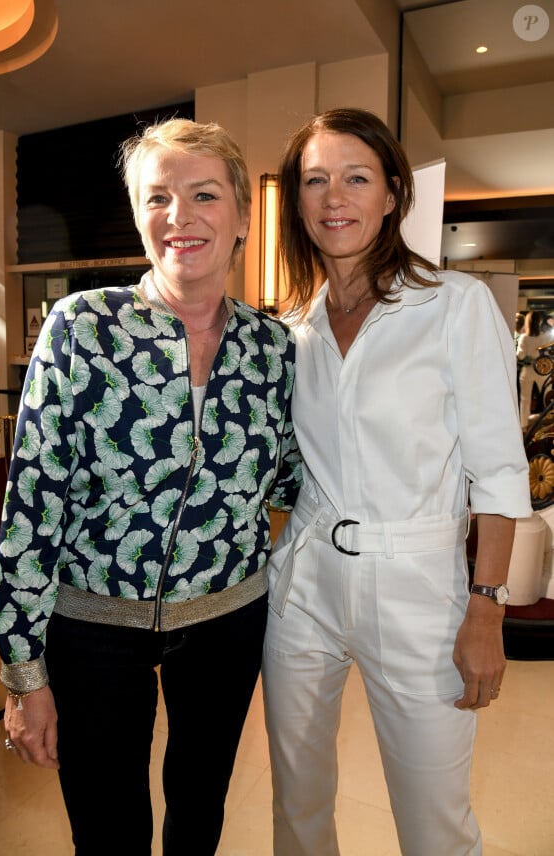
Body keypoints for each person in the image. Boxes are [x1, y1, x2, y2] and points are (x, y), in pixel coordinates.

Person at [0, 118, 300, 856]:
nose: (180, 217)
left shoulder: (274, 347)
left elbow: (295, 475)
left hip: (228, 620)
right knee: (106, 823)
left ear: (241, 217)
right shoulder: (81, 327)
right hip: (91, 626)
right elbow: (32, 503)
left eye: (203, 195)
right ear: (137, 213)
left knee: (200, 809)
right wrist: (23, 670)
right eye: (157, 197)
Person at [261, 108, 532, 856]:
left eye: (355, 177)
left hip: (417, 586)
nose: (333, 197)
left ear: (391, 195)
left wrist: (487, 610)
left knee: (433, 819)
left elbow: (499, 472)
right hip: (306, 581)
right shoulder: (293, 326)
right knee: (298, 799)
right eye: (315, 181)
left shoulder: (453, 305)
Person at [517, 309, 552, 431]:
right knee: (546, 398)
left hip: (528, 370)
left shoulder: (524, 337)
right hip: (543, 370)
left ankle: (524, 427)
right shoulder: (547, 336)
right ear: (540, 321)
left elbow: (520, 355)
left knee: (525, 399)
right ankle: (546, 424)